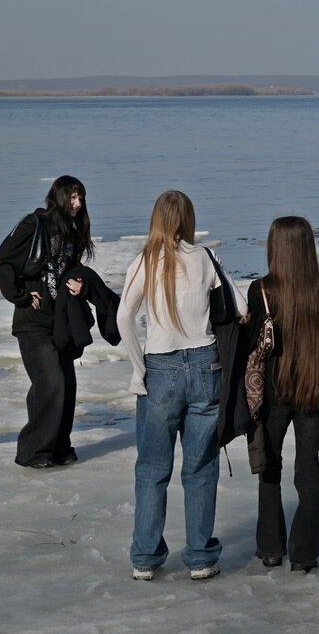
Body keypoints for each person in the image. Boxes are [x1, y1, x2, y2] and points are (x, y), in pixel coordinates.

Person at [118, 190, 247, 582]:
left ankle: (145, 557)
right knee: (201, 466)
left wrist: (138, 368)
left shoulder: (145, 260)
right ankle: (201, 557)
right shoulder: (205, 257)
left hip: (161, 367)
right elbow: (241, 307)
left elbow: (124, 317)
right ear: (189, 219)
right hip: (206, 365)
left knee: (152, 468)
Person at [239, 216, 319, 572]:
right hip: (312, 389)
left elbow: (251, 343)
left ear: (276, 248)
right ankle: (305, 554)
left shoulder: (261, 291)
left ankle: (270, 548)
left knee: (270, 467)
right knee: (308, 469)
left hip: (272, 392)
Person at [0, 175, 95, 469]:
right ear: (59, 197)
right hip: (32, 322)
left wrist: (82, 286)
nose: (78, 203)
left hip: (60, 322)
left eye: (81, 198)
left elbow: (70, 270)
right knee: (51, 381)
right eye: (72, 197)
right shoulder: (34, 224)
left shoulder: (73, 231)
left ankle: (59, 447)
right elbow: (3, 261)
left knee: (67, 385)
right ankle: (33, 451)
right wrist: (21, 295)